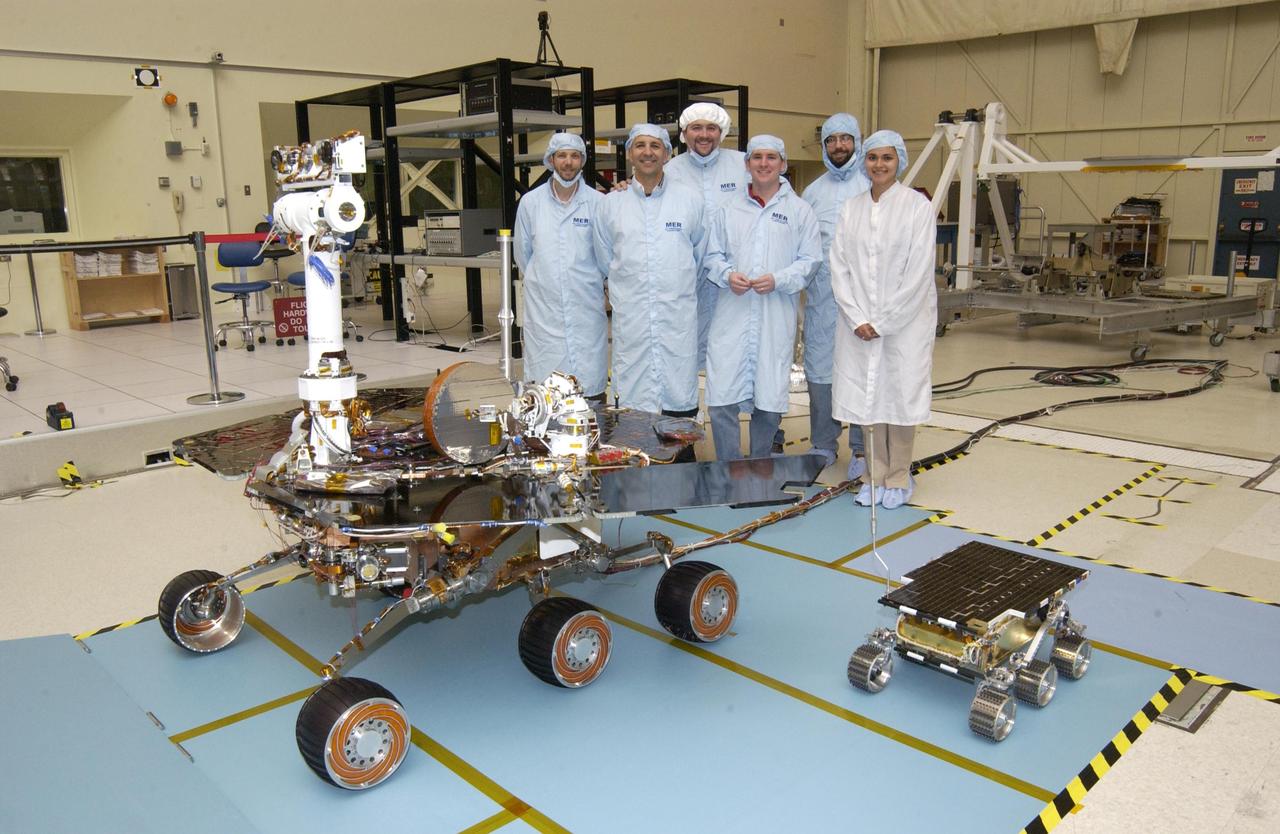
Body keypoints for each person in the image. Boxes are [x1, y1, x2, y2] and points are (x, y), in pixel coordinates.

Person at [829, 129, 937, 509]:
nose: (879, 165)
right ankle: (874, 475)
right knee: (868, 397)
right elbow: (839, 266)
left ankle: (898, 476)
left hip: (905, 324)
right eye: (873, 158)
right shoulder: (852, 208)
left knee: (900, 397)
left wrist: (885, 321)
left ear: (899, 161)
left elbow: (919, 271)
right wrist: (857, 316)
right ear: (865, 162)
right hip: (857, 323)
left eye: (887, 158)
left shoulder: (916, 207)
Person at [593, 124, 709, 459]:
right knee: (633, 394)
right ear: (630, 153)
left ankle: (681, 467)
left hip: (677, 319)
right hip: (633, 321)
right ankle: (636, 463)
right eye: (640, 145)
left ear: (668, 153)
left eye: (655, 146)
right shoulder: (610, 205)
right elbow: (605, 259)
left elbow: (699, 256)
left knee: (678, 391)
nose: (648, 152)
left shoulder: (689, 201)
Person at [703, 135, 820, 460]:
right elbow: (711, 256)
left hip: (775, 315)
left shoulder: (799, 211)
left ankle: (759, 464)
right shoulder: (728, 210)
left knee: (769, 397)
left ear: (783, 164)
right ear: (747, 165)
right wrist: (727, 275)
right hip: (732, 314)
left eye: (771, 158)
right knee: (722, 396)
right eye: (757, 157)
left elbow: (810, 261)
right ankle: (727, 465)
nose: (764, 164)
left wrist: (779, 279)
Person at [801, 113, 871, 474]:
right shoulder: (813, 192)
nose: (839, 146)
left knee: (860, 371)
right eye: (832, 140)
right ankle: (823, 442)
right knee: (820, 372)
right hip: (823, 300)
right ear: (825, 145)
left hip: (862, 300)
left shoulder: (872, 185)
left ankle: (861, 448)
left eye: (846, 138)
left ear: (857, 141)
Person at [513, 133, 607, 399]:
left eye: (574, 156)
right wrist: (547, 278)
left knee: (588, 387)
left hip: (586, 305)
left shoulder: (598, 203)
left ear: (582, 161)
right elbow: (523, 255)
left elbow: (605, 254)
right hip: (545, 309)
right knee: (546, 390)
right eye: (562, 156)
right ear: (551, 160)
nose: (568, 162)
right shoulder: (531, 203)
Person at [664, 103, 750, 373]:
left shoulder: (744, 165)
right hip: (687, 278)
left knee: (737, 351)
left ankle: (734, 412)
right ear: (684, 133)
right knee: (687, 350)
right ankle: (692, 412)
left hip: (736, 277)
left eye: (711, 128)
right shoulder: (669, 171)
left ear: (722, 132)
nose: (704, 135)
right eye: (696, 128)